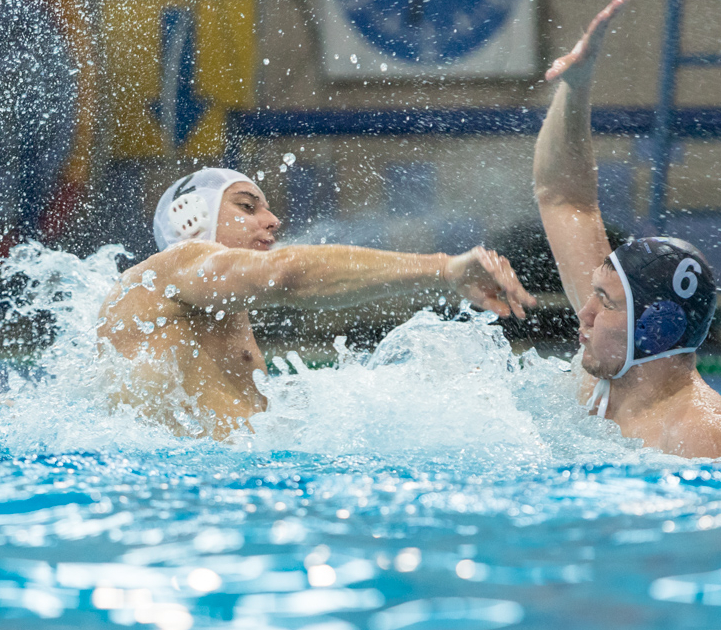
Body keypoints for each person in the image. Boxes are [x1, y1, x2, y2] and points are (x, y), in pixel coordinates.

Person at [98, 167, 537, 436]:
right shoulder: (175, 265)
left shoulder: (215, 312)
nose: (272, 220)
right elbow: (288, 274)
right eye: (248, 207)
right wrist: (444, 269)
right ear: (191, 221)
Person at [533, 0, 721, 460]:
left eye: (606, 302)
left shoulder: (701, 435)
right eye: (595, 293)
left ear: (656, 330)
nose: (584, 313)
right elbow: (563, 197)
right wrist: (576, 87)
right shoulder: (609, 365)